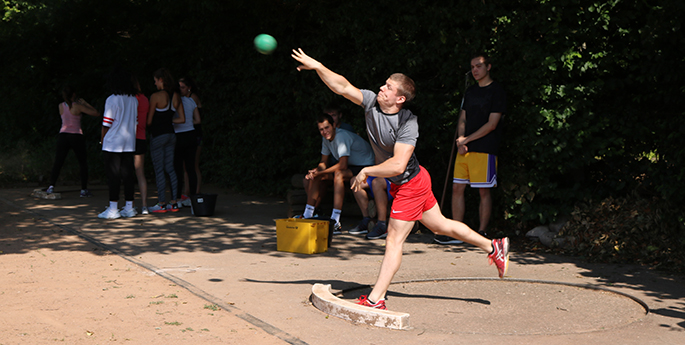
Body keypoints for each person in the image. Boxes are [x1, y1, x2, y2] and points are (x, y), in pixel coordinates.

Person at [292, 48, 509, 310]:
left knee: (393, 239)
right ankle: (493, 246)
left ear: (400, 98)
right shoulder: (371, 102)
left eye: (389, 87)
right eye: (384, 84)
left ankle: (376, 298)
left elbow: (398, 164)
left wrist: (367, 171)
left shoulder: (409, 123)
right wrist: (317, 65)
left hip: (410, 183)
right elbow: (342, 86)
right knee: (440, 226)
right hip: (410, 181)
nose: (382, 88)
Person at [435, 53, 506, 245]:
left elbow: (492, 124)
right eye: (472, 67)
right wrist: (460, 140)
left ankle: (482, 232)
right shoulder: (470, 92)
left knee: (483, 191)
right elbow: (463, 117)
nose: (475, 70)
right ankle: (457, 232)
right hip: (464, 149)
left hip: (485, 148)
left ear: (488, 67)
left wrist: (467, 139)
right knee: (457, 187)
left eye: (479, 66)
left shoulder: (496, 91)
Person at [297, 113, 374, 234]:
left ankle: (335, 221)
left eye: (327, 127)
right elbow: (323, 162)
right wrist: (316, 171)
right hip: (351, 166)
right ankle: (307, 215)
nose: (324, 131)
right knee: (315, 177)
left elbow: (342, 165)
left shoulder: (341, 137)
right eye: (321, 129)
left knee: (338, 174)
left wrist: (320, 172)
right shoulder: (326, 138)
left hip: (365, 166)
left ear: (333, 125)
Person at [98, 66, 139, 219]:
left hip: (113, 142)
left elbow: (106, 124)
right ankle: (129, 207)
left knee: (113, 175)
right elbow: (135, 121)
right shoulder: (134, 99)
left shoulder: (112, 99)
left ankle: (113, 208)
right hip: (129, 141)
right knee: (128, 174)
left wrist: (102, 139)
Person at [45, 85, 100, 197]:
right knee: (82, 162)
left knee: (58, 161)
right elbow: (96, 113)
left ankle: (51, 186)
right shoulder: (78, 106)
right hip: (76, 135)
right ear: (74, 94)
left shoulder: (61, 106)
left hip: (63, 135)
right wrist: (85, 104)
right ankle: (83, 190)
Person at [147, 68, 185, 213]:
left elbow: (149, 121)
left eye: (155, 80)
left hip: (158, 136)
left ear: (161, 80)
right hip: (171, 134)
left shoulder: (156, 96)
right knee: (171, 168)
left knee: (159, 169)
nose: (155, 83)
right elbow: (182, 119)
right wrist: (168, 120)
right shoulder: (176, 95)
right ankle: (174, 202)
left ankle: (161, 203)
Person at [173, 77, 200, 206]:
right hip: (191, 134)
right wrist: (190, 123)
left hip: (178, 135)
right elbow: (198, 120)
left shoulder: (175, 102)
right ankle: (192, 197)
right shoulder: (191, 101)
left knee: (177, 168)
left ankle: (177, 198)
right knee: (190, 168)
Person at [132, 76, 150, 215]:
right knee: (140, 173)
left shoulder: (130, 100)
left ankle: (129, 204)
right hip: (141, 136)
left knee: (127, 172)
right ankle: (144, 205)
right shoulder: (145, 99)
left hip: (129, 137)